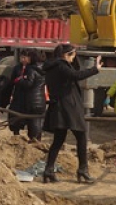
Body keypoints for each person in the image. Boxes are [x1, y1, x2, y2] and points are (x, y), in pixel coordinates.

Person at [41, 45, 101, 184]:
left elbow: (74, 72)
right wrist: (95, 69)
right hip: (69, 107)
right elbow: (76, 75)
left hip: (58, 106)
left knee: (58, 140)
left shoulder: (51, 66)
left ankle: (48, 171)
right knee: (81, 137)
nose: (74, 58)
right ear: (66, 54)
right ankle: (83, 170)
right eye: (73, 55)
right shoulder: (61, 66)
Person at [8, 49, 46, 142]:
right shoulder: (18, 68)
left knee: (33, 121)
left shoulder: (31, 69)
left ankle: (34, 139)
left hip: (31, 99)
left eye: (25, 57)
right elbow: (12, 82)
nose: (23, 59)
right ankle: (25, 137)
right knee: (29, 120)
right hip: (27, 98)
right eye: (22, 57)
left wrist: (20, 79)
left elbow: (29, 83)